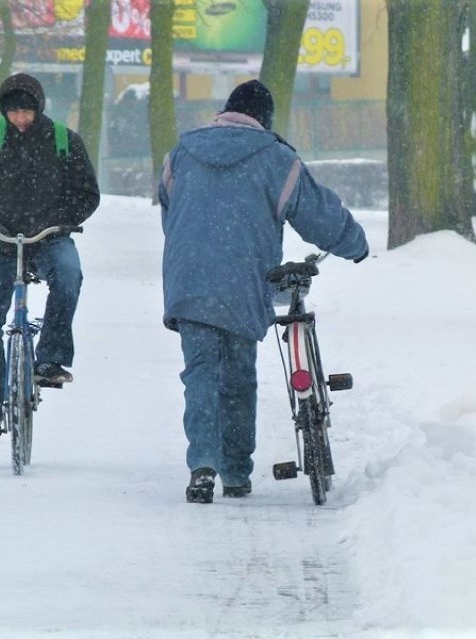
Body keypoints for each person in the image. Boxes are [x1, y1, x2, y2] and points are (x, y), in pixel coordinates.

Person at [158, 79, 368, 503]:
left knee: (200, 373)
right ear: (264, 119)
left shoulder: (182, 154)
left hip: (190, 276)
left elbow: (170, 210)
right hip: (242, 280)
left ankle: (202, 464)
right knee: (237, 376)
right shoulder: (275, 158)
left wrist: (194, 255)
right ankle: (235, 472)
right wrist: (355, 244)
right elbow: (318, 216)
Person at [0, 73, 100, 438]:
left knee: (69, 275)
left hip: (47, 237)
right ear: (3, 110)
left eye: (27, 112)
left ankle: (49, 359)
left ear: (39, 108)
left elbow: (86, 192)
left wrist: (60, 220)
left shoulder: (63, 140)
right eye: (14, 112)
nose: (21, 119)